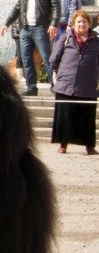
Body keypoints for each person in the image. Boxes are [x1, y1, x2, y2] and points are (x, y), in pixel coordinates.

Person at [0, 0, 60, 96]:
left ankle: (54, 87)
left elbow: (56, 5)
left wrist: (54, 23)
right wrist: (6, 23)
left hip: (40, 28)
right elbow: (17, 7)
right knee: (26, 59)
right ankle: (31, 87)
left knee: (46, 58)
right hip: (25, 29)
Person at [49, 10, 99, 155]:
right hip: (66, 84)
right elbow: (54, 59)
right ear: (73, 24)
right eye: (79, 22)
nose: (81, 24)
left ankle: (89, 146)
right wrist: (61, 73)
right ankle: (63, 145)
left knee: (87, 117)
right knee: (65, 116)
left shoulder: (96, 41)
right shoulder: (65, 38)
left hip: (88, 85)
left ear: (89, 24)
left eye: (84, 21)